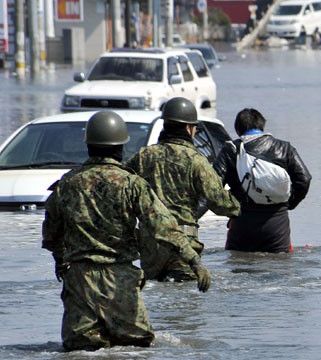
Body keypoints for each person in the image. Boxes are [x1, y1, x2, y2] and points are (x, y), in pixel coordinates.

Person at [42, 111, 211, 351]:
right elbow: (162, 226)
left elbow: (51, 234)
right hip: (119, 282)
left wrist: (61, 262)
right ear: (121, 146)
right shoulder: (132, 184)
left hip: (79, 282)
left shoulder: (66, 185)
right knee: (136, 347)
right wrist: (194, 260)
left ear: (89, 145)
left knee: (80, 349)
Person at [126, 97, 240, 282]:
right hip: (184, 245)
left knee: (156, 300)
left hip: (151, 244)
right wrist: (238, 206)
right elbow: (218, 202)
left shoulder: (143, 156)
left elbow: (121, 185)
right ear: (189, 129)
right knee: (185, 301)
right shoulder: (196, 160)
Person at [213, 108, 312, 253]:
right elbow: (304, 179)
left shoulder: (231, 150)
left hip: (242, 225)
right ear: (262, 126)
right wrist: (288, 204)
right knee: (279, 270)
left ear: (238, 130)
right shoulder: (284, 148)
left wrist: (230, 209)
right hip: (277, 225)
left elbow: (213, 187)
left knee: (240, 270)